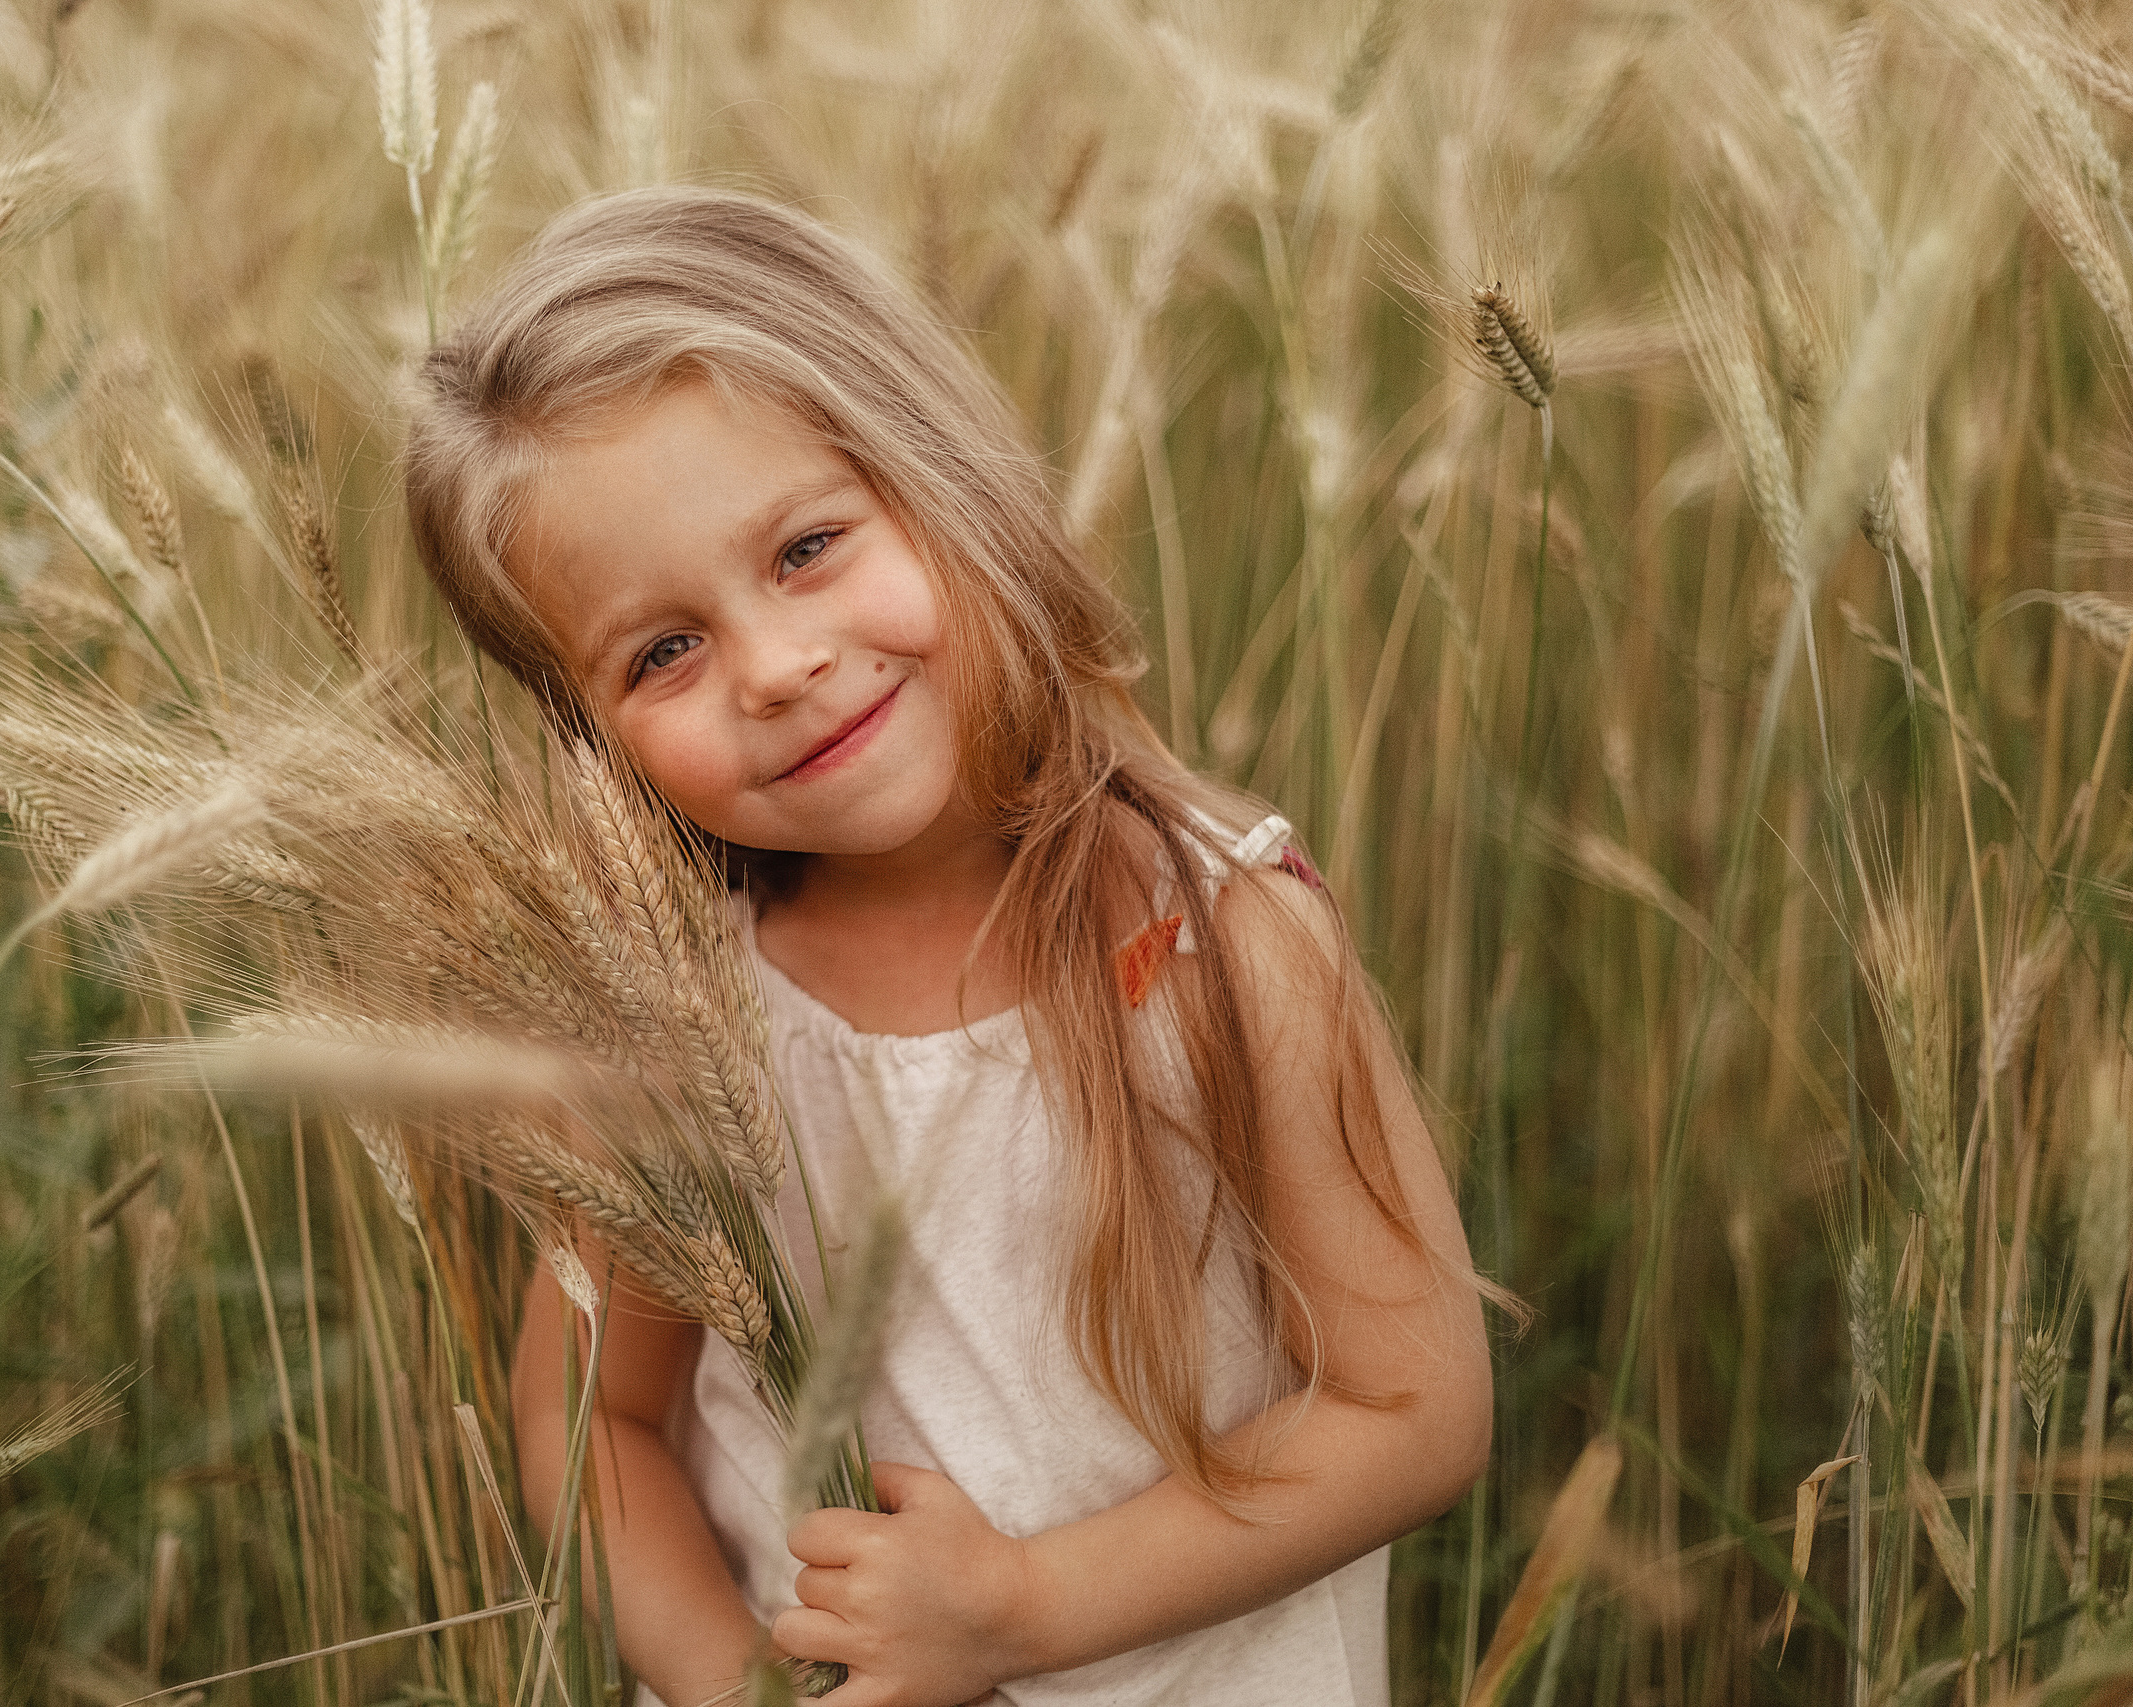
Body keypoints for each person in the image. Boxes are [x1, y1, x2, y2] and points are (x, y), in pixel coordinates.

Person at [404, 186, 1495, 1707]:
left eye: (806, 549)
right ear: (589, 736)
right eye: (663, 652)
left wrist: (1021, 1612)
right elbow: (597, 1426)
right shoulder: (679, 1022)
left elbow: (1414, 1412)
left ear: (944, 477)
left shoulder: (1222, 945)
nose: (777, 667)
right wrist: (739, 1686)